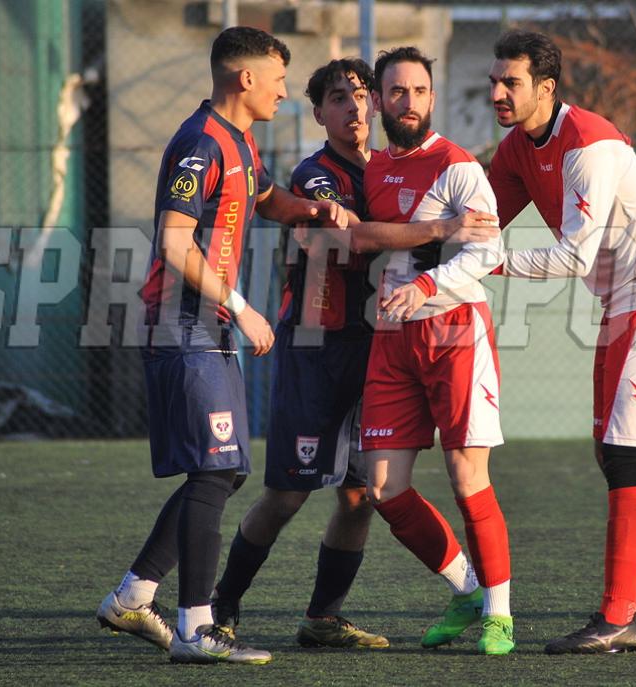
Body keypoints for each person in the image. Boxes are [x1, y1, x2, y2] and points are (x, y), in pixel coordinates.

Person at [211, 58, 501, 650]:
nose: (354, 107)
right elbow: (351, 238)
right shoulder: (316, 175)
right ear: (319, 114)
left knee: (362, 492)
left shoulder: (395, 167)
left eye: (363, 95)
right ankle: (221, 605)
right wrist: (443, 228)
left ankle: (323, 617)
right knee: (288, 493)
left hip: (378, 345)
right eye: (339, 98)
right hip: (317, 347)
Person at [95, 26, 349, 666]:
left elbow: (266, 199)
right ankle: (196, 628)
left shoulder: (240, 140)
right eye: (279, 80)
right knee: (214, 469)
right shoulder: (199, 143)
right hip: (182, 324)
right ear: (247, 79)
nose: (284, 93)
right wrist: (242, 306)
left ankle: (134, 596)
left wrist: (313, 211)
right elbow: (174, 243)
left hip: (208, 327)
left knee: (226, 470)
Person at [485, 30, 636, 654]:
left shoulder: (587, 143)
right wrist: (404, 236)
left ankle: (617, 618)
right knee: (615, 456)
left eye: (511, 82)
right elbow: (477, 222)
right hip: (625, 305)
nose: (498, 93)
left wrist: (489, 263)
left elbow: (572, 257)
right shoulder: (515, 148)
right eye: (494, 81)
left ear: (546, 88)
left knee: (626, 454)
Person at [361, 46, 515, 656]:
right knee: (382, 487)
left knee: (466, 475)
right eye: (397, 91)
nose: (410, 102)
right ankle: (467, 589)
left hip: (453, 331)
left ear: (433, 97)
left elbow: (489, 250)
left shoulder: (457, 165)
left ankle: (500, 614)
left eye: (420, 91)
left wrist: (426, 284)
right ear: (379, 100)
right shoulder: (372, 167)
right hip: (391, 339)